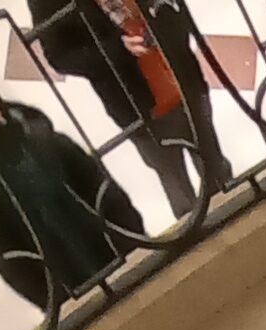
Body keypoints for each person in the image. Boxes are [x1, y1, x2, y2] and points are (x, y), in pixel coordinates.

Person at [0, 78, 142, 309]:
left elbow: (107, 193)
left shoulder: (51, 143)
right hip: (76, 301)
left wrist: (135, 246)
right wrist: (60, 305)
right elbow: (11, 265)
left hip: (127, 261)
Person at [27, 0, 229, 217]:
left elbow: (173, 8)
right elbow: (60, 56)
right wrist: (116, 49)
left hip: (183, 76)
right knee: (179, 190)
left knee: (217, 171)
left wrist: (170, 26)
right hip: (134, 102)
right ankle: (199, 230)